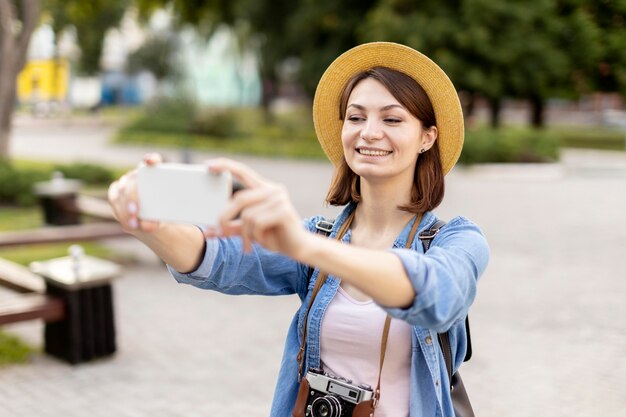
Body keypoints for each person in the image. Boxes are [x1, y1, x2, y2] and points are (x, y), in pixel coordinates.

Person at [108, 42, 489, 417]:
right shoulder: (319, 235)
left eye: (391, 119)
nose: (369, 132)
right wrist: (147, 226)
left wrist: (303, 246)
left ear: (427, 137)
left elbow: (435, 295)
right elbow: (219, 259)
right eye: (356, 118)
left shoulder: (457, 239)